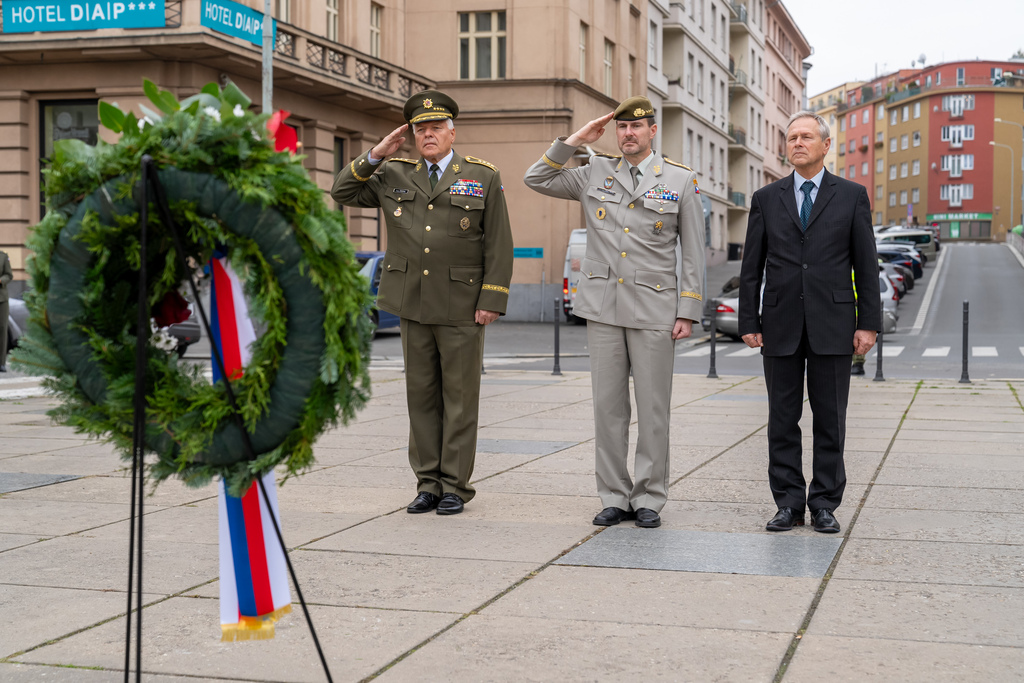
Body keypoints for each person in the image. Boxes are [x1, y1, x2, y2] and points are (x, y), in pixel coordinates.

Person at [524, 97, 705, 529]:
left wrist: (688, 310)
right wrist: (575, 140)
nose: (628, 133)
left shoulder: (680, 180)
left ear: (652, 130)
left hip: (655, 308)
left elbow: (693, 251)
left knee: (653, 408)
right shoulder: (593, 172)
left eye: (636, 126)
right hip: (603, 307)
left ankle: (649, 497)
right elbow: (537, 178)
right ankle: (613, 495)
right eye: (621, 127)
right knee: (607, 408)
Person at [331, 91, 514, 516]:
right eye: (420, 129)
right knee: (422, 397)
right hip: (411, 303)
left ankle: (455, 486)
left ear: (453, 131)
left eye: (435, 128)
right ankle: (427, 484)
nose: (427, 134)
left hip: (463, 304)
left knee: (460, 398)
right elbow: (342, 191)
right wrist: (377, 153)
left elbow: (498, 243)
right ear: (410, 134)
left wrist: (492, 299)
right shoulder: (393, 172)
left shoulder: (482, 175)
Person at [738, 110, 880, 534]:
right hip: (779, 323)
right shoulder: (767, 198)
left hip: (834, 323)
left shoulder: (851, 195)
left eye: (805, 137)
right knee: (781, 418)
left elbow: (866, 265)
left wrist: (867, 323)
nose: (797, 143)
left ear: (825, 145)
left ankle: (823, 504)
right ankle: (787, 503)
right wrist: (750, 319)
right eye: (791, 137)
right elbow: (751, 267)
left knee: (830, 420)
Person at [0, 250, 12, 372]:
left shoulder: (3, 256)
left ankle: (1, 362)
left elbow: (9, 275)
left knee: (2, 329)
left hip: (1, 299)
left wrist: (1, 280)